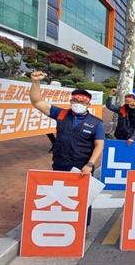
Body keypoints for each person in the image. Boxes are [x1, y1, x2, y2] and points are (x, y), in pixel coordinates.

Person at [29, 70, 105, 226]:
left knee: (82, 197)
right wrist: (36, 82)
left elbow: (99, 144)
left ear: (88, 104)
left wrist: (90, 164)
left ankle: (83, 227)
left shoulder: (96, 122)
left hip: (81, 166)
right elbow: (37, 102)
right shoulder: (61, 114)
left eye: (81, 102)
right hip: (60, 162)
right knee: (60, 195)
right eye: (74, 101)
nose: (77, 104)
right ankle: (61, 224)